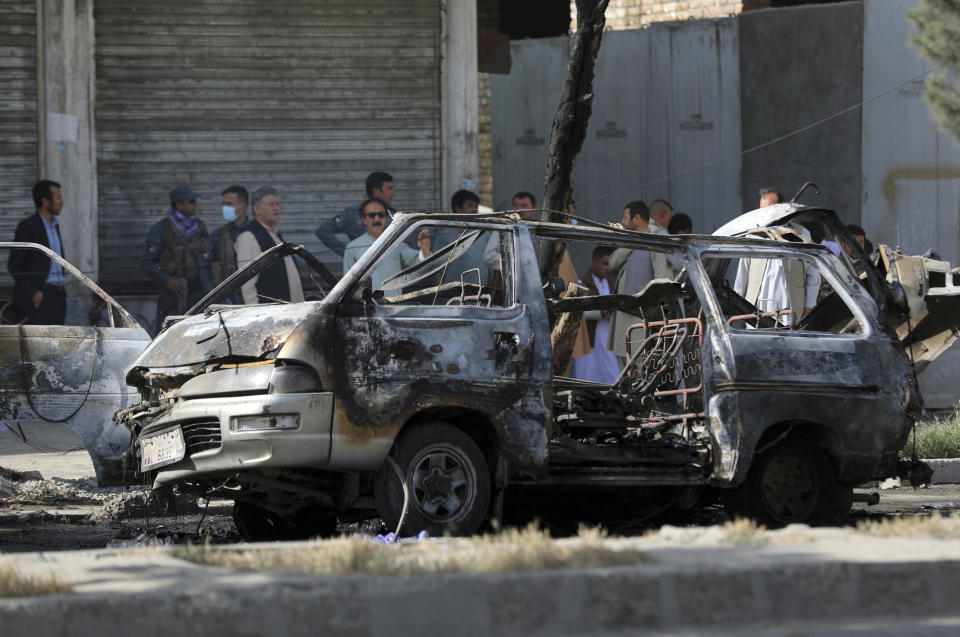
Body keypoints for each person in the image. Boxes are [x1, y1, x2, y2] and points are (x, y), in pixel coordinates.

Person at [607, 201, 672, 360]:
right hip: (622, 318)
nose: (622, 222)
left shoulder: (654, 243)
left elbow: (661, 281)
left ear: (636, 219)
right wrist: (635, 241)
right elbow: (613, 263)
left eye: (625, 217)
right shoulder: (629, 241)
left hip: (640, 319)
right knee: (624, 369)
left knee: (639, 368)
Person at [143, 185, 210, 329]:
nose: (195, 204)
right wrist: (167, 280)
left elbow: (209, 257)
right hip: (173, 294)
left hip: (198, 292)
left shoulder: (200, 227)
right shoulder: (160, 230)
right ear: (179, 204)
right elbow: (147, 263)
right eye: (191, 201)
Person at [733, 225, 821, 325]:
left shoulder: (801, 232)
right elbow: (742, 275)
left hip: (790, 314)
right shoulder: (753, 234)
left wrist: (809, 305)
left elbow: (813, 274)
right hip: (756, 314)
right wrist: (738, 307)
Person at [7, 179, 67, 325]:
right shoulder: (28, 226)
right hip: (39, 298)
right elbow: (14, 265)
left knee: (57, 344)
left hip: (58, 296)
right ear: (46, 201)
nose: (62, 201)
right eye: (58, 197)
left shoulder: (55, 226)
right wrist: (34, 293)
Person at [343, 198, 430, 293]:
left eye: (381, 215)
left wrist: (424, 251)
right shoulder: (352, 247)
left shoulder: (396, 243)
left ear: (385, 218)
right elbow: (347, 285)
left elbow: (416, 261)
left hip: (393, 305)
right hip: (365, 306)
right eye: (372, 215)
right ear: (363, 220)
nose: (377, 219)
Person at [235, 186, 304, 304]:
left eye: (277, 204)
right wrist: (255, 316)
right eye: (271, 204)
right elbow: (247, 285)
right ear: (257, 209)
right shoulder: (248, 237)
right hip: (268, 316)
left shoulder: (275, 235)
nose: (276, 208)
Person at [315, 171, 396, 257]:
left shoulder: (394, 215)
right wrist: (348, 251)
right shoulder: (353, 213)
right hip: (365, 268)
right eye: (389, 189)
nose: (393, 193)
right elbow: (323, 231)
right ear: (376, 191)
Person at [571, 246, 619, 384]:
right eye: (605, 263)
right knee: (586, 376)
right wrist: (601, 312)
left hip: (609, 339)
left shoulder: (613, 283)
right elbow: (577, 311)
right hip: (589, 340)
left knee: (612, 376)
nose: (608, 268)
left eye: (610, 264)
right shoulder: (581, 283)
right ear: (594, 262)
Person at [430, 190, 491, 284]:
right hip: (454, 295)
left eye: (476, 206)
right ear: (458, 208)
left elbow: (492, 265)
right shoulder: (444, 235)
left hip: (481, 293)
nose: (474, 210)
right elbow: (437, 269)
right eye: (470, 206)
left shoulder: (483, 234)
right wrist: (441, 295)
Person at [202, 185, 250, 295]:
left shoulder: (257, 233)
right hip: (227, 298)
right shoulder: (217, 235)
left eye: (228, 204)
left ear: (242, 207)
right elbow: (204, 266)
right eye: (223, 204)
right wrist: (211, 292)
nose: (224, 208)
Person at [483, 190, 536, 270]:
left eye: (524, 206)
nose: (518, 209)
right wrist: (515, 260)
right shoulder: (502, 228)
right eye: (515, 205)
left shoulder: (538, 231)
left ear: (533, 210)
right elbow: (488, 257)